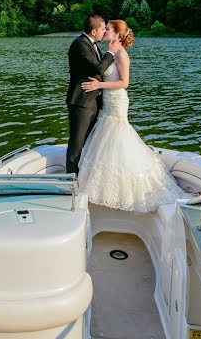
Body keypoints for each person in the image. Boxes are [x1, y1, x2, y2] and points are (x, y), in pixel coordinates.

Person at [77, 20, 185, 212]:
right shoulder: (110, 51)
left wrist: (99, 85)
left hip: (117, 101)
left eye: (108, 29)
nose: (105, 31)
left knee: (118, 136)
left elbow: (124, 82)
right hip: (107, 102)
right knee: (105, 139)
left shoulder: (121, 55)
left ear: (117, 34)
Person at [65, 15, 115, 175]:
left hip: (94, 101)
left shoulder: (92, 44)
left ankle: (83, 177)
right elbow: (98, 69)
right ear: (94, 31)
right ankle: (71, 181)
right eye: (102, 29)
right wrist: (111, 53)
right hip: (81, 102)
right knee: (77, 144)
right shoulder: (80, 44)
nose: (104, 31)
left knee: (89, 143)